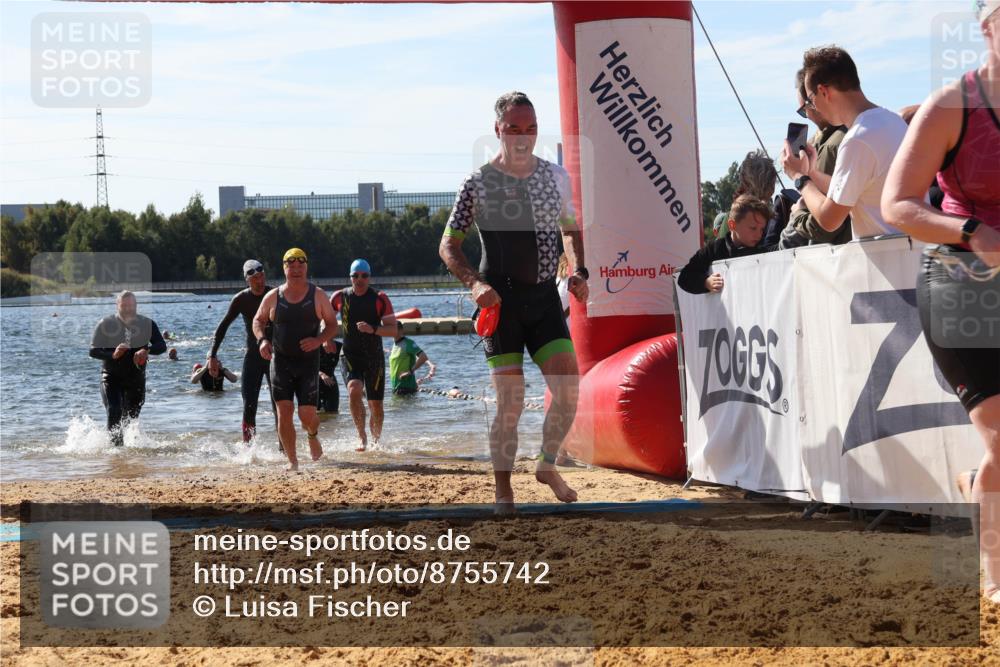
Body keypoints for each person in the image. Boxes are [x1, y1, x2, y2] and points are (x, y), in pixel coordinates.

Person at [881, 0, 1000, 603]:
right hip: (962, 287)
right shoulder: (953, 105)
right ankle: (994, 576)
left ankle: (980, 479)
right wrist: (971, 230)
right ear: (987, 26)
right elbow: (897, 204)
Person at [439, 90, 588, 507]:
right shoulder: (478, 183)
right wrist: (474, 285)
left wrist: (577, 270)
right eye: (514, 130)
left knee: (569, 387)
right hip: (499, 303)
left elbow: (570, 232)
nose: (523, 138)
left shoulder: (556, 177)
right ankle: (503, 491)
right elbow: (448, 246)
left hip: (542, 298)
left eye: (531, 129)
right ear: (498, 131)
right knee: (511, 402)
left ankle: (546, 463)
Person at [781, 45, 907, 240]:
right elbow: (859, 188)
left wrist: (799, 178)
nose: (812, 109)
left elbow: (829, 220)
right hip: (909, 252)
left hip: (886, 262)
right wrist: (812, 173)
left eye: (810, 102)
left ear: (823, 91)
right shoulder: (893, 121)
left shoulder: (857, 139)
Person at [253, 248, 339, 471]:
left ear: (306, 268)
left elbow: (332, 325)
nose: (296, 270)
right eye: (291, 266)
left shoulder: (317, 295)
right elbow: (258, 320)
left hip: (308, 362)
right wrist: (262, 340)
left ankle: (312, 435)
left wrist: (318, 340)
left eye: (300, 266)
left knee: (306, 414)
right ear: (284, 268)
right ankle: (292, 461)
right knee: (284, 410)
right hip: (280, 361)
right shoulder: (273, 297)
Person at [769, 69, 851, 249]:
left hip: (831, 257)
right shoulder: (846, 133)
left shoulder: (830, 146)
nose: (807, 114)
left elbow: (825, 225)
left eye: (804, 109)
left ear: (814, 101)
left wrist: (797, 213)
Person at [331, 259, 397, 451]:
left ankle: (376, 442)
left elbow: (393, 330)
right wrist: (326, 340)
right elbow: (325, 319)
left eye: (364, 276)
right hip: (350, 354)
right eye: (355, 276)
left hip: (373, 356)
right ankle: (361, 436)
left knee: (375, 405)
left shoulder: (380, 298)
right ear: (350, 277)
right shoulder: (340, 297)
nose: (360, 279)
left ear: (369, 277)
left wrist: (373, 329)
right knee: (354, 389)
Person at [209, 259, 276, 443]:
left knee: (279, 404)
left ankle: (283, 448)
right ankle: (249, 449)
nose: (259, 281)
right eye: (254, 278)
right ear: (247, 280)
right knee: (249, 405)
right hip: (253, 357)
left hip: (274, 357)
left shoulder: (274, 294)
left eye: (262, 276)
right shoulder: (241, 299)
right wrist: (212, 355)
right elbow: (222, 327)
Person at [88, 291, 167, 447]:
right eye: (124, 306)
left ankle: (127, 458)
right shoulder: (106, 323)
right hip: (110, 377)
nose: (128, 309)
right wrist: (114, 354)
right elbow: (93, 351)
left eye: (131, 305)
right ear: (118, 306)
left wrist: (147, 350)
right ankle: (115, 452)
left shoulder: (147, 324)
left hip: (136, 378)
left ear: (136, 306)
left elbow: (161, 346)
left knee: (130, 419)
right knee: (114, 410)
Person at [677, 195, 773, 295]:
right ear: (732, 225)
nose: (759, 234)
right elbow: (684, 278)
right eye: (753, 228)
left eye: (762, 229)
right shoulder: (713, 249)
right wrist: (706, 283)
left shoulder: (763, 251)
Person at [390, 322, 435, 396]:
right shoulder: (395, 344)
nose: (392, 331)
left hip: (406, 388)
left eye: (395, 329)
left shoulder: (408, 343)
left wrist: (409, 372)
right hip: (396, 387)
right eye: (391, 329)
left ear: (401, 330)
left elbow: (423, 357)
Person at [318, 338, 343, 413]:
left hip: (330, 381)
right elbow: (305, 366)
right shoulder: (313, 345)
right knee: (312, 414)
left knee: (333, 414)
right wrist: (321, 374)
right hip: (313, 382)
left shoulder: (339, 346)